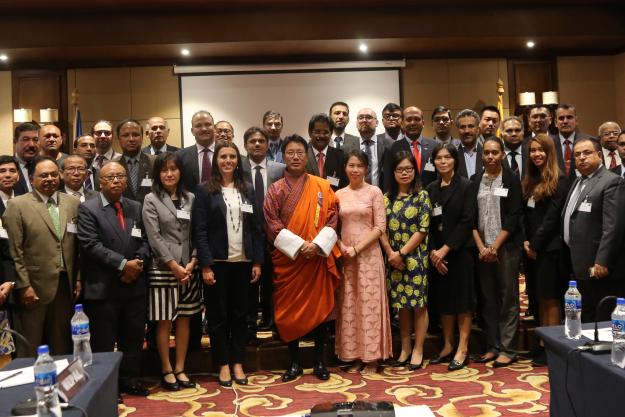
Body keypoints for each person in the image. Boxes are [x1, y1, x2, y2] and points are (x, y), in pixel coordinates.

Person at [263, 135, 341, 382]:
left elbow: (333, 217)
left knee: (319, 312)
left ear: (307, 156)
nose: (295, 157)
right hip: (290, 262)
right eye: (290, 153)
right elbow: (271, 223)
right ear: (283, 156)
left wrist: (316, 245)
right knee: (290, 313)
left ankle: (319, 362)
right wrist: (299, 246)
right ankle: (294, 363)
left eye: (300, 152)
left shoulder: (321, 186)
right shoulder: (275, 190)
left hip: (315, 259)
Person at [77, 161, 151, 398]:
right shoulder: (88, 209)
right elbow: (90, 245)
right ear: (100, 181)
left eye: (120, 176)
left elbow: (146, 240)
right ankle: (107, 386)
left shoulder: (135, 206)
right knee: (104, 341)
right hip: (104, 287)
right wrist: (122, 265)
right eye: (110, 177)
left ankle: (129, 380)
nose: (116, 180)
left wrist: (138, 263)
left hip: (135, 284)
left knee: (133, 336)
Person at [193, 141, 263, 387]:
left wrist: (257, 261)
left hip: (243, 262)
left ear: (238, 160)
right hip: (218, 263)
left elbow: (256, 228)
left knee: (240, 314)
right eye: (223, 156)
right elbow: (199, 231)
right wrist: (205, 265)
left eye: (232, 156)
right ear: (216, 161)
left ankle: (238, 362)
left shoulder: (248, 189)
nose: (228, 161)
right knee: (218, 315)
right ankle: (222, 363)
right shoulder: (204, 190)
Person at [3, 156, 81, 357]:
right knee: (29, 346)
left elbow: (78, 246)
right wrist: (23, 285)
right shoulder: (17, 205)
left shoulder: (72, 203)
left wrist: (78, 278)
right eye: (43, 175)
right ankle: (27, 388)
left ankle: (61, 386)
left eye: (54, 174)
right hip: (32, 287)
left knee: (62, 344)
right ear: (31, 178)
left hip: (65, 285)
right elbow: (15, 250)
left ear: (60, 175)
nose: (50, 179)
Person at [142, 152, 202, 391]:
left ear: (180, 172)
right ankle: (166, 369)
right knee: (165, 322)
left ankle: (180, 368)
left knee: (185, 319)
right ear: (158, 174)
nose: (169, 174)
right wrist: (174, 266)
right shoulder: (151, 199)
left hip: (189, 268)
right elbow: (154, 237)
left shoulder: (191, 198)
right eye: (164, 170)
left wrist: (194, 261)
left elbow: (197, 232)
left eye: (173, 169)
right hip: (164, 269)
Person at [335, 149, 392, 374]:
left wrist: (357, 248)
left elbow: (380, 227)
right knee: (350, 305)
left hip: (368, 255)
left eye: (359, 165)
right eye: (351, 165)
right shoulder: (339, 194)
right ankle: (355, 355)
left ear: (367, 168)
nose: (355, 170)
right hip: (347, 256)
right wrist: (342, 248)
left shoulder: (374, 192)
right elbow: (333, 227)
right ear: (345, 169)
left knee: (369, 305)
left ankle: (372, 358)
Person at [472, 137, 523, 368]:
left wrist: (494, 247)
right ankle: (493, 345)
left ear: (502, 154)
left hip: (506, 248)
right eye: (487, 153)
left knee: (508, 298)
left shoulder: (511, 180)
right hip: (481, 249)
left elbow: (513, 217)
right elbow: (471, 218)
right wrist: (482, 247)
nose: (491, 156)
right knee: (488, 299)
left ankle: (508, 348)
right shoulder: (475, 181)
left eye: (495, 152)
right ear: (482, 156)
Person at [562, 138, 625, 322]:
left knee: (603, 317)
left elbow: (613, 226)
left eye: (586, 153)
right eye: (577, 155)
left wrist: (602, 260)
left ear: (599, 155)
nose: (581, 158)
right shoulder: (578, 181)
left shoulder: (611, 182)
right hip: (579, 261)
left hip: (598, 266)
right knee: (587, 316)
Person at [379, 150, 431, 370]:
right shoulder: (385, 198)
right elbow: (380, 228)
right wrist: (391, 253)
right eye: (400, 169)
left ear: (415, 171)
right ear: (393, 172)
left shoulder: (422, 196)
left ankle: (419, 349)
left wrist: (401, 254)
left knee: (418, 305)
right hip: (393, 260)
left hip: (415, 259)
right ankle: (406, 348)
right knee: (402, 306)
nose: (404, 173)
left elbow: (422, 229)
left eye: (409, 169)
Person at [521, 133, 570, 365]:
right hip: (532, 249)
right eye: (533, 150)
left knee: (550, 299)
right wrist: (526, 242)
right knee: (539, 298)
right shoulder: (531, 179)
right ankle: (542, 341)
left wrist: (536, 244)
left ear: (550, 152)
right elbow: (526, 215)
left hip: (549, 250)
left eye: (541, 150)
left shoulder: (559, 180)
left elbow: (552, 219)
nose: (536, 154)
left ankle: (551, 347)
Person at [426, 143, 476, 371]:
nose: (443, 161)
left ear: (455, 160)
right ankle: (447, 345)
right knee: (444, 301)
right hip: (438, 256)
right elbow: (428, 223)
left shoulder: (466, 186)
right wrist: (434, 253)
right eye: (439, 158)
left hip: (459, 252)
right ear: (433, 162)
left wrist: (445, 249)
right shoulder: (431, 188)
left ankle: (463, 347)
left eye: (447, 157)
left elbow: (467, 221)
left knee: (462, 301)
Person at [241, 127, 285, 331]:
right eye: (252, 141)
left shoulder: (279, 169)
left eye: (261, 141)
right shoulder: (237, 167)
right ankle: (249, 322)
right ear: (245, 145)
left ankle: (269, 320)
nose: (257, 144)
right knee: (249, 280)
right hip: (246, 232)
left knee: (270, 279)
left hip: (272, 233)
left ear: (268, 145)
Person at [384, 106, 437, 190]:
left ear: (423, 123)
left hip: (431, 197)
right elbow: (388, 179)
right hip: (404, 199)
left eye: (417, 119)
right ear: (402, 124)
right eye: (408, 119)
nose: (413, 123)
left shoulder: (434, 145)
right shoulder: (392, 148)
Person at [343, 108, 393, 190]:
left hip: (381, 196)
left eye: (368, 117)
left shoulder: (388, 146)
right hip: (355, 196)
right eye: (361, 117)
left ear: (376, 123)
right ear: (356, 123)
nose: (364, 120)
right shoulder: (346, 148)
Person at [117, 119, 155, 204]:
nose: (131, 139)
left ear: (142, 137)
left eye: (136, 135)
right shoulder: (112, 165)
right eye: (125, 135)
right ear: (119, 139)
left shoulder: (154, 161)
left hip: (149, 214)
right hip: (121, 215)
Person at [305, 113, 347, 190]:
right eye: (317, 132)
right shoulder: (302, 155)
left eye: (326, 132)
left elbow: (343, 186)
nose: (321, 136)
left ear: (331, 134)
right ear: (310, 133)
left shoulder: (340, 156)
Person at [177, 110, 215, 192]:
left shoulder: (225, 154)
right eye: (198, 126)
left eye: (208, 124)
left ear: (214, 128)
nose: (204, 129)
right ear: (192, 131)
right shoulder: (179, 156)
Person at [13, 121, 40, 194]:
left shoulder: (43, 165)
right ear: (15, 142)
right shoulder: (7, 167)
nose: (31, 144)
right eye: (26, 139)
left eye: (35, 140)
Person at [455, 109, 483, 179]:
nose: (466, 131)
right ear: (457, 130)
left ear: (478, 129)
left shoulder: (487, 153)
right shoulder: (452, 155)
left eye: (471, 126)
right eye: (462, 127)